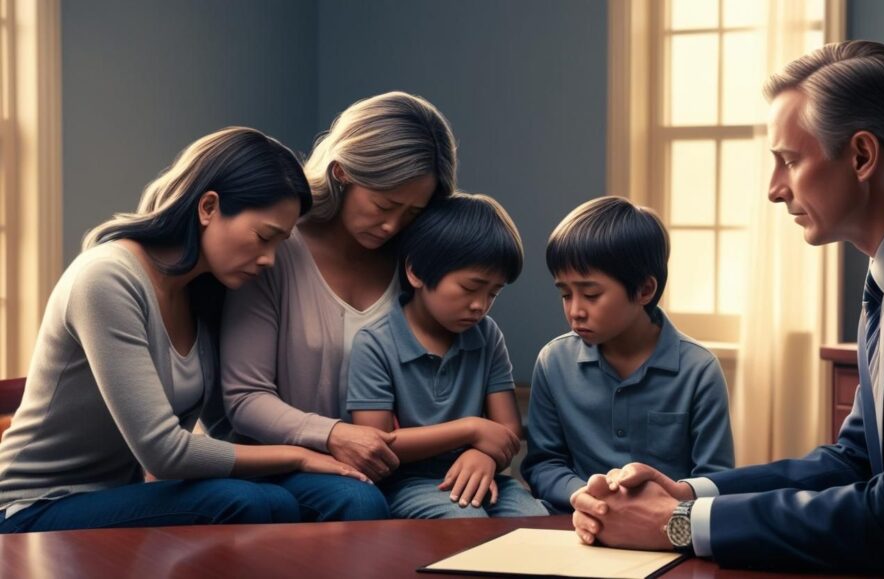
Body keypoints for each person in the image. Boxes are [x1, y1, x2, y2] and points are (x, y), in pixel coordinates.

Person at [570, 40, 884, 573]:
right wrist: (686, 493)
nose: (773, 189)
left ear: (861, 156)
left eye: (788, 160)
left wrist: (678, 524)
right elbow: (854, 460)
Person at [0, 127, 369, 533]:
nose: (269, 259)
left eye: (280, 244)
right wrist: (297, 456)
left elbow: (224, 426)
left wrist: (326, 456)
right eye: (265, 237)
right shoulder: (106, 278)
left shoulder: (204, 291)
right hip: (32, 508)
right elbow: (164, 453)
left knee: (336, 498)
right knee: (243, 502)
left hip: (118, 495)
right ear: (208, 207)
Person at [220, 92, 458, 520]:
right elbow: (245, 398)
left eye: (411, 213)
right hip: (283, 464)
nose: (392, 225)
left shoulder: (416, 264)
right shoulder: (274, 250)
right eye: (384, 205)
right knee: (359, 501)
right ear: (341, 173)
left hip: (399, 468)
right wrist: (332, 435)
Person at [521, 196, 734, 514]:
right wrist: (584, 497)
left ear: (644, 290)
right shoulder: (553, 362)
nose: (575, 311)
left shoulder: (699, 370)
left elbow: (714, 480)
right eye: (565, 294)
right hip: (573, 522)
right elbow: (543, 465)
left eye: (591, 294)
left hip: (664, 529)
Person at [347, 193, 548, 519]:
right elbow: (377, 444)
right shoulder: (375, 343)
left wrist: (485, 456)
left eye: (493, 293)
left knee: (536, 521)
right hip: (409, 483)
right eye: (471, 288)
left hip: (485, 473)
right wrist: (470, 429)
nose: (480, 305)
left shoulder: (487, 334)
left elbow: (507, 427)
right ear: (416, 272)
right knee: (465, 523)